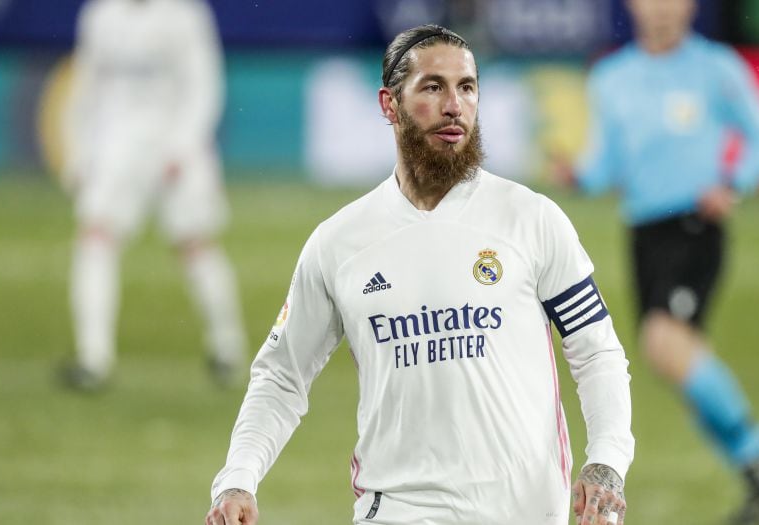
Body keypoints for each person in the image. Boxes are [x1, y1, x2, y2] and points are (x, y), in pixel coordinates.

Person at [207, 24, 634, 525]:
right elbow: (282, 375)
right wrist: (238, 477)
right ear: (389, 104)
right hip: (394, 509)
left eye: (467, 87)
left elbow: (596, 350)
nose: (455, 105)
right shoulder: (340, 243)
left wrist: (607, 461)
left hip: (522, 512)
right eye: (433, 87)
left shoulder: (532, 220)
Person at [565, 0, 759, 523]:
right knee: (676, 354)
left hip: (695, 226)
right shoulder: (612, 77)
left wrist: (734, 182)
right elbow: (607, 164)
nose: (662, 10)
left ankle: (757, 449)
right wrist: (578, 176)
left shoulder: (716, 69)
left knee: (664, 343)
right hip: (643, 234)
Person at [60, 0, 246, 390]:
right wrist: (79, 152)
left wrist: (184, 146)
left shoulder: (185, 16)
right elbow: (87, 87)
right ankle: (94, 358)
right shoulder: (100, 16)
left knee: (195, 243)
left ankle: (227, 347)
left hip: (173, 145)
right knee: (96, 237)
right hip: (117, 147)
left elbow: (203, 86)